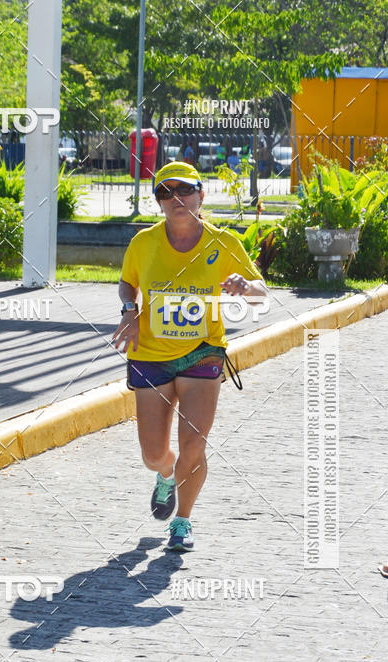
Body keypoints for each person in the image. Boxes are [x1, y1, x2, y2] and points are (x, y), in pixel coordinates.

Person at [112, 161, 268, 552]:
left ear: (201, 194)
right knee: (152, 454)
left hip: (202, 352)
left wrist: (246, 286)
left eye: (184, 189)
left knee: (194, 443)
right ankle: (165, 473)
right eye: (165, 192)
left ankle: (182, 520)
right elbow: (127, 284)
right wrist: (129, 311)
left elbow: (261, 294)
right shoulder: (143, 243)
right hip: (151, 354)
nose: (175, 198)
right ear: (158, 201)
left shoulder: (223, 243)